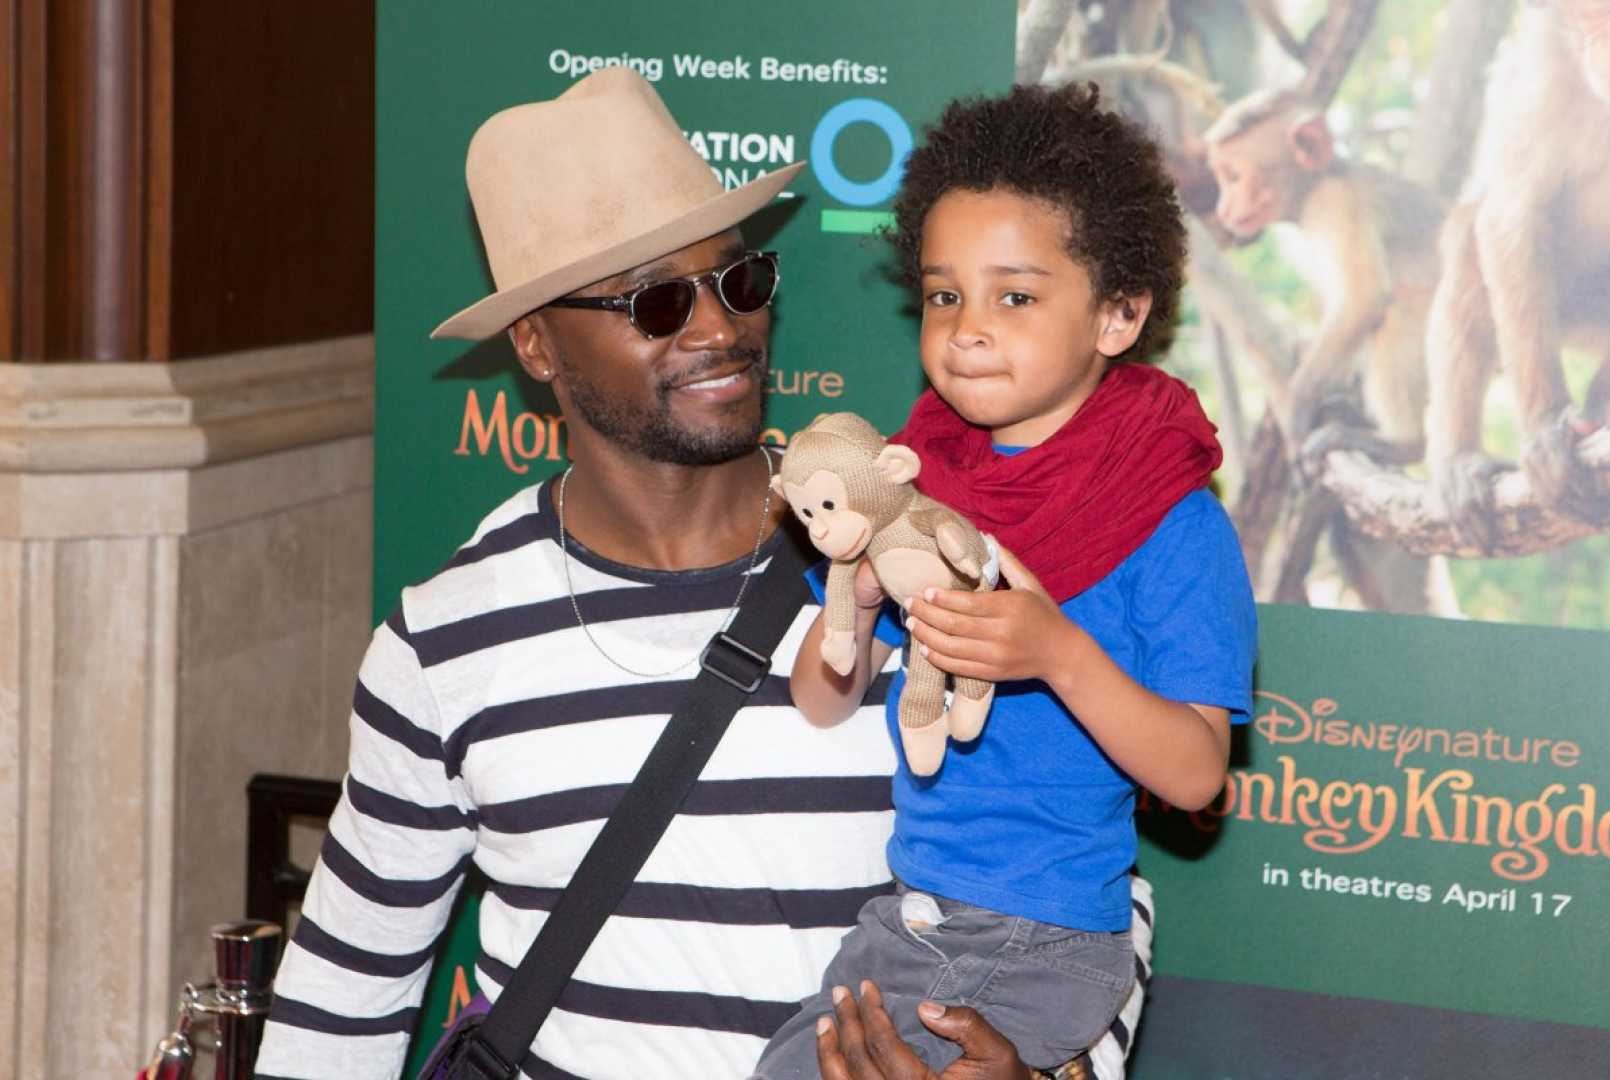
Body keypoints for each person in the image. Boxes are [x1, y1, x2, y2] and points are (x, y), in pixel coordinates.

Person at [253, 69, 1129, 1080]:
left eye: (739, 280)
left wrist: (1046, 1075)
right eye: (657, 300)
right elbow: (339, 1004)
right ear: (536, 342)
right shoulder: (446, 640)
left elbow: (1094, 895)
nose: (719, 328)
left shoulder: (922, 559)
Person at [756, 83, 1257, 1079]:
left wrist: (1056, 651)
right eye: (946, 295)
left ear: (1119, 313)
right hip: (905, 920)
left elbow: (1198, 773)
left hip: (1048, 942)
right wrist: (848, 602)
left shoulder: (1173, 523)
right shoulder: (910, 485)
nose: (968, 329)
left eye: (1014, 297)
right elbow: (822, 700)